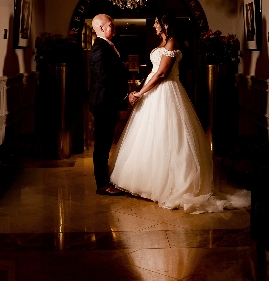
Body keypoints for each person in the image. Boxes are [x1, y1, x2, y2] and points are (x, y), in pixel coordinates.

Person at [110, 13, 250, 213]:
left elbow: (161, 73)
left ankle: (169, 183)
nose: (154, 26)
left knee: (169, 137)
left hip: (165, 91)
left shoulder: (172, 44)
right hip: (155, 92)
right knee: (151, 137)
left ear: (166, 24)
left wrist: (140, 92)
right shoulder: (164, 43)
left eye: (157, 23)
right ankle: (148, 181)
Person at [89, 14, 128, 196]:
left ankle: (105, 181)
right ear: (102, 28)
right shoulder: (99, 48)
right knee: (102, 145)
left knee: (105, 143)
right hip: (104, 102)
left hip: (107, 101)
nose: (114, 27)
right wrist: (123, 97)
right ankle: (102, 184)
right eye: (111, 25)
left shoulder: (107, 46)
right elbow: (103, 79)